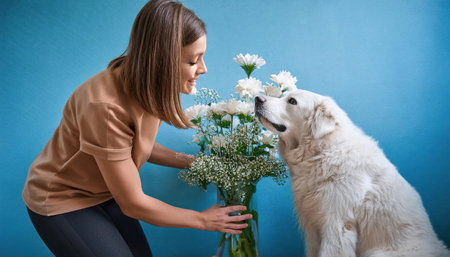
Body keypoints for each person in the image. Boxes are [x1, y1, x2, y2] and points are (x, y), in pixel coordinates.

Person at [22, 1, 252, 256]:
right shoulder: (105, 107)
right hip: (63, 199)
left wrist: (199, 163)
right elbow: (133, 204)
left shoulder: (147, 86)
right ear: (161, 61)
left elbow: (135, 146)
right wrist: (203, 220)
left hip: (105, 191)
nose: (203, 69)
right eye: (192, 61)